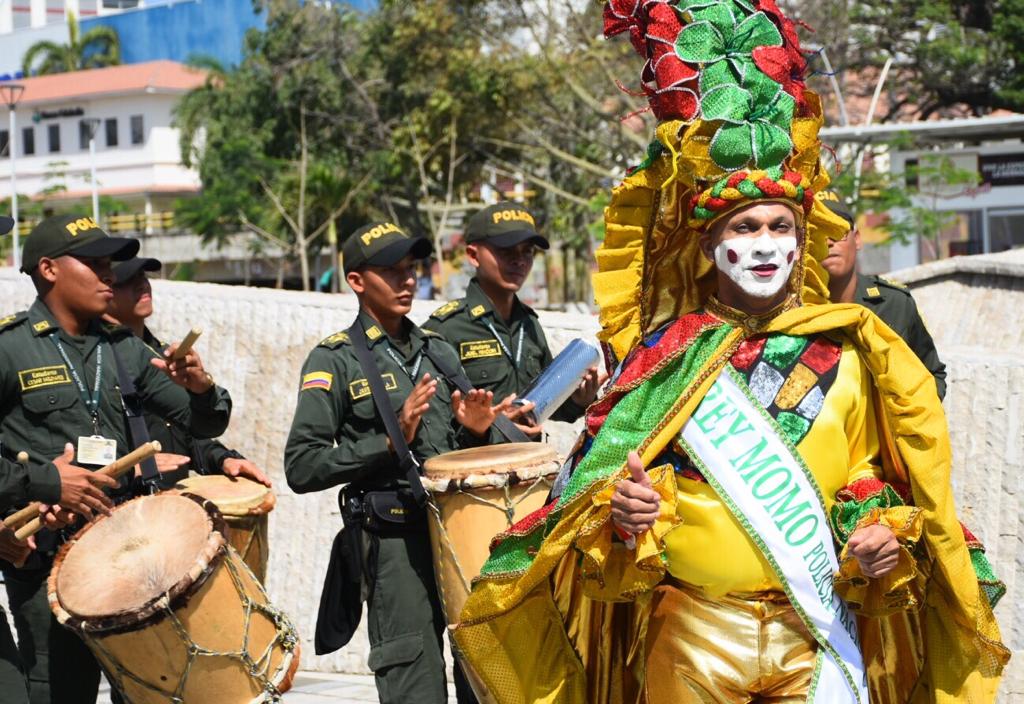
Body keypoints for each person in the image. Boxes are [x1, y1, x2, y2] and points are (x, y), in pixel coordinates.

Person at [454, 3, 1007, 702]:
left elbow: (868, 472)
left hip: (817, 632)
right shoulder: (661, 357)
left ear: (802, 242)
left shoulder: (848, 351)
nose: (767, 242)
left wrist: (879, 528)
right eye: (746, 227)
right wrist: (623, 515)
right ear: (710, 246)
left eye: (781, 226)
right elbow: (595, 491)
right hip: (691, 632)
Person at [0, 214, 233, 704]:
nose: (109, 273)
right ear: (49, 269)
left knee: (150, 689)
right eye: (94, 263)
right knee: (61, 692)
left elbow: (204, 422)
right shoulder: (10, 348)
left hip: (124, 553)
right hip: (48, 559)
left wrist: (201, 387)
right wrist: (43, 482)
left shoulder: (122, 346)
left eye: (110, 263)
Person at [284, 221, 514, 704]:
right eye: (391, 271)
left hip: (458, 530)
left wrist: (476, 428)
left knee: (484, 674)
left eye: (410, 268)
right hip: (394, 543)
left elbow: (463, 454)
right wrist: (390, 443)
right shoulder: (335, 360)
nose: (407, 280)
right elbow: (302, 466)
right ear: (356, 281)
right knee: (414, 682)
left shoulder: (438, 351)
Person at [422, 202, 602, 438]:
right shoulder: (447, 328)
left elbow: (543, 406)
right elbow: (432, 426)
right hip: (479, 460)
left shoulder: (529, 324)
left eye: (527, 251)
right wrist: (487, 429)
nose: (519, 260)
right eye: (506, 251)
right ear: (474, 255)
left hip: (530, 459)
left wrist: (577, 399)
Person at [103, 256, 270, 488]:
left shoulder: (163, 355)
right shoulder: (98, 360)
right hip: (121, 502)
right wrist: (128, 470)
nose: (142, 284)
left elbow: (185, 434)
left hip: (171, 503)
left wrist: (222, 459)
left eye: (143, 276)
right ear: (104, 289)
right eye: (128, 280)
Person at [819, 193, 947, 398]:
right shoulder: (791, 310)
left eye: (837, 230)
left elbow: (931, 375)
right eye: (817, 231)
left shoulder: (895, 304)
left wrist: (910, 413)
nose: (828, 241)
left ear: (857, 239)